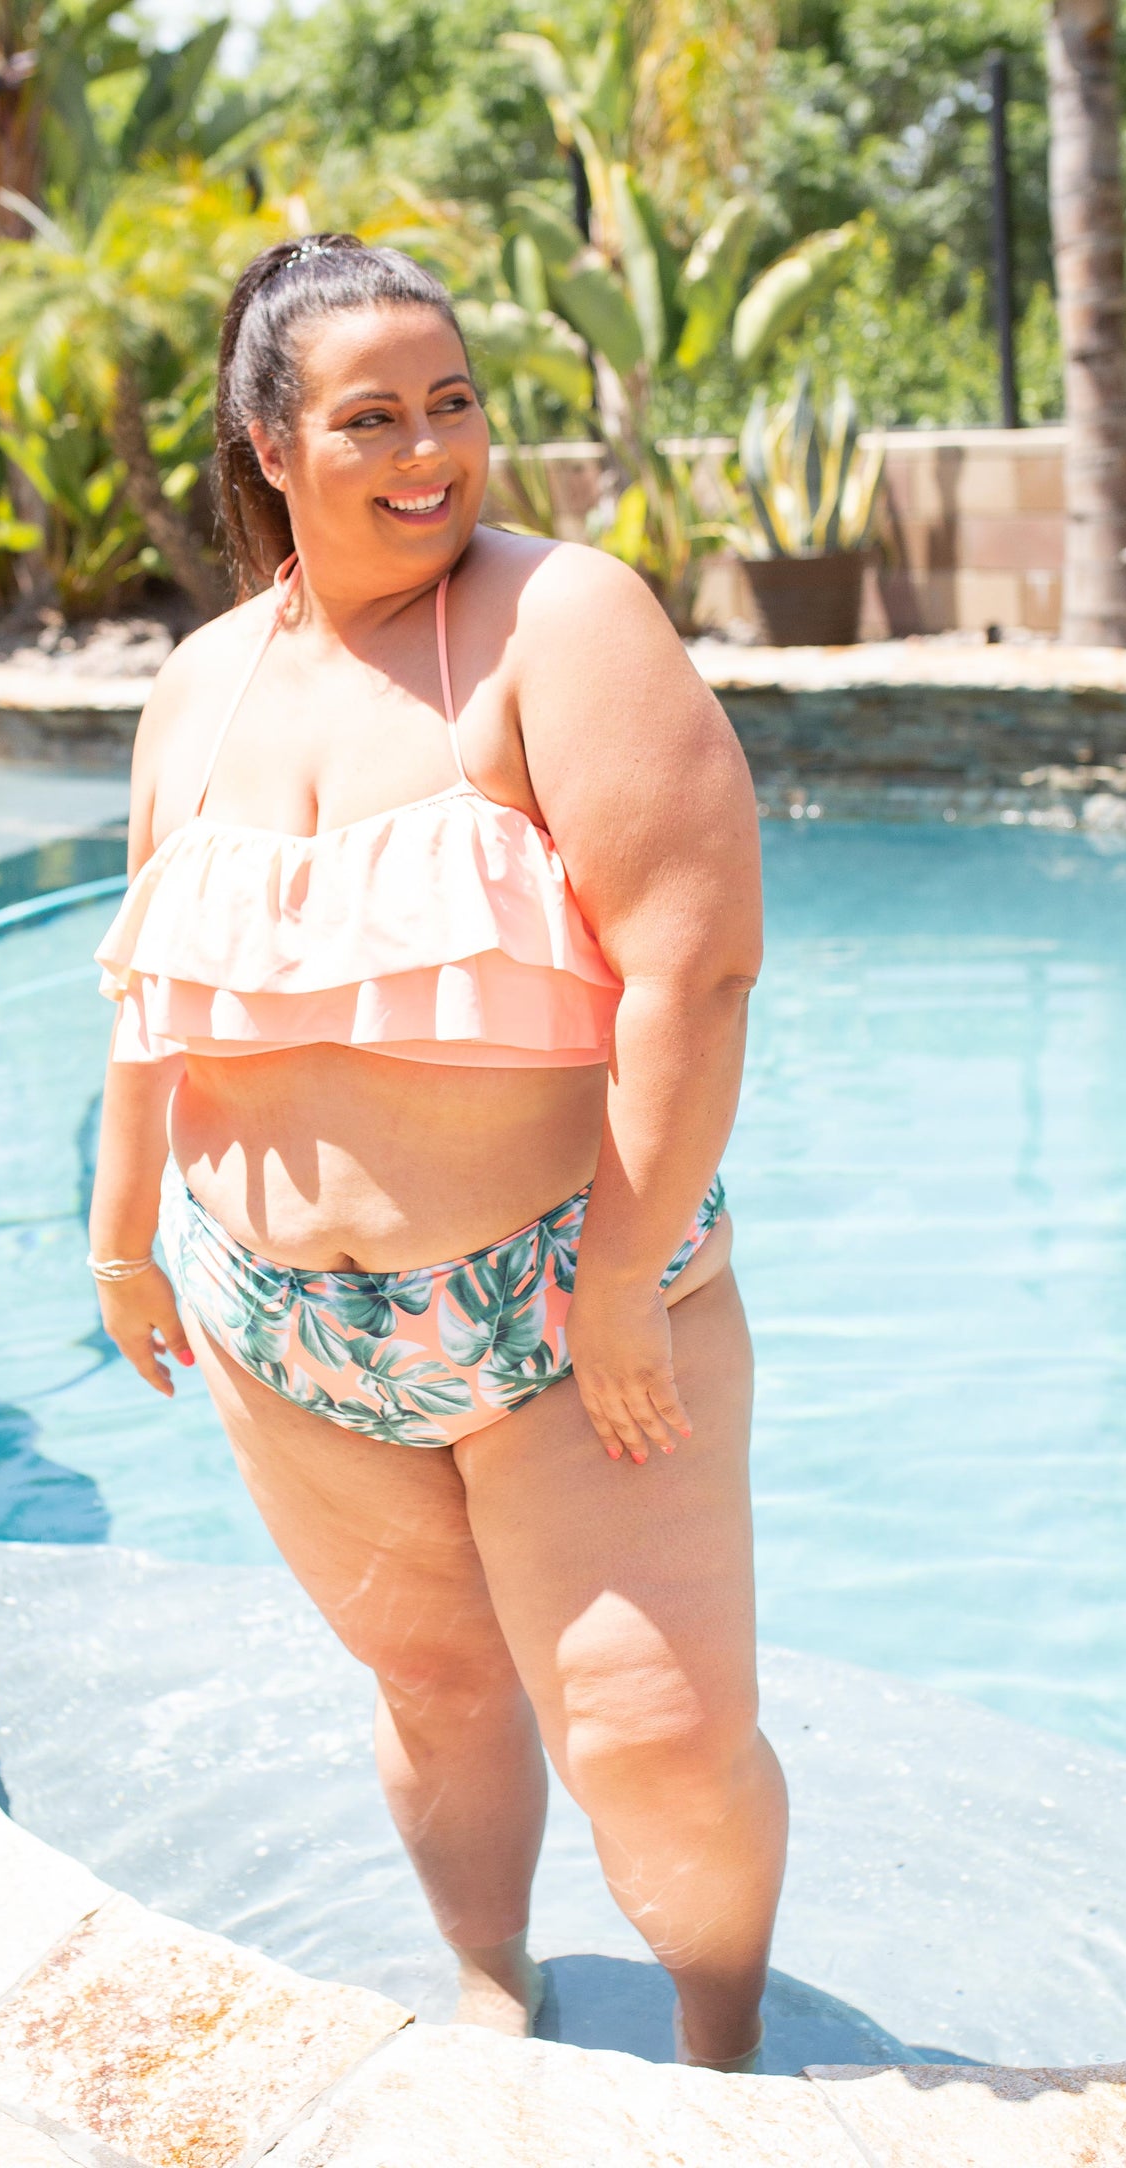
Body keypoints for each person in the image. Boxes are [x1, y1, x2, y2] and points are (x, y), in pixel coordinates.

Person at [88, 232, 786, 2071]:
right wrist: (122, 1240)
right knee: (431, 1685)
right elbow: (151, 988)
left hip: (560, 1301)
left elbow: (693, 968)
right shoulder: (199, 685)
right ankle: (492, 1988)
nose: (430, 452)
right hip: (278, 1329)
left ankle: (725, 2055)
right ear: (267, 444)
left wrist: (623, 1284)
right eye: (374, 417)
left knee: (652, 1726)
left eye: (454, 404)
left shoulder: (564, 619)